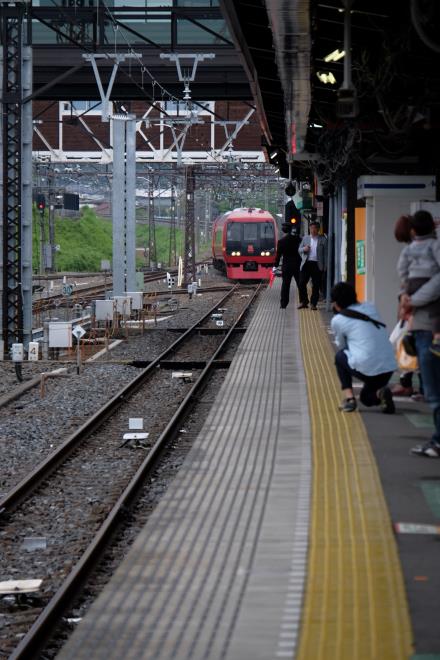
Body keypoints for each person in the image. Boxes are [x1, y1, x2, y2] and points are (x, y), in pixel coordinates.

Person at [397, 210, 440, 457]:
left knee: (434, 391)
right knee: (432, 388)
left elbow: (405, 274)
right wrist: (407, 299)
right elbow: (403, 273)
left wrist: (411, 299)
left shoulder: (431, 247)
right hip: (421, 323)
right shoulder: (417, 249)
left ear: (413, 230)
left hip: (429, 325)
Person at [330, 282, 396, 413]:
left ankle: (350, 400)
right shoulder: (370, 307)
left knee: (339, 357)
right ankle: (380, 393)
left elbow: (342, 346)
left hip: (367, 367)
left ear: (336, 303)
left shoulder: (338, 320)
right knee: (366, 398)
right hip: (388, 366)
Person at [298, 221, 327, 310]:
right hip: (306, 263)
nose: (313, 230)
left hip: (317, 264)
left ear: (318, 229)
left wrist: (325, 266)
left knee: (316, 285)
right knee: (301, 283)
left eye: (315, 228)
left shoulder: (323, 239)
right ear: (309, 229)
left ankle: (313, 303)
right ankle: (304, 301)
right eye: (311, 228)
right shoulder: (305, 238)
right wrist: (304, 249)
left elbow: (326, 254)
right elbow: (299, 249)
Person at [273, 222, 302, 308]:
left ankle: (283, 304)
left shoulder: (281, 241)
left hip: (286, 266)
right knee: (300, 284)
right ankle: (303, 301)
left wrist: (276, 265)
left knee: (285, 285)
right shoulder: (298, 239)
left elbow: (278, 255)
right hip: (297, 264)